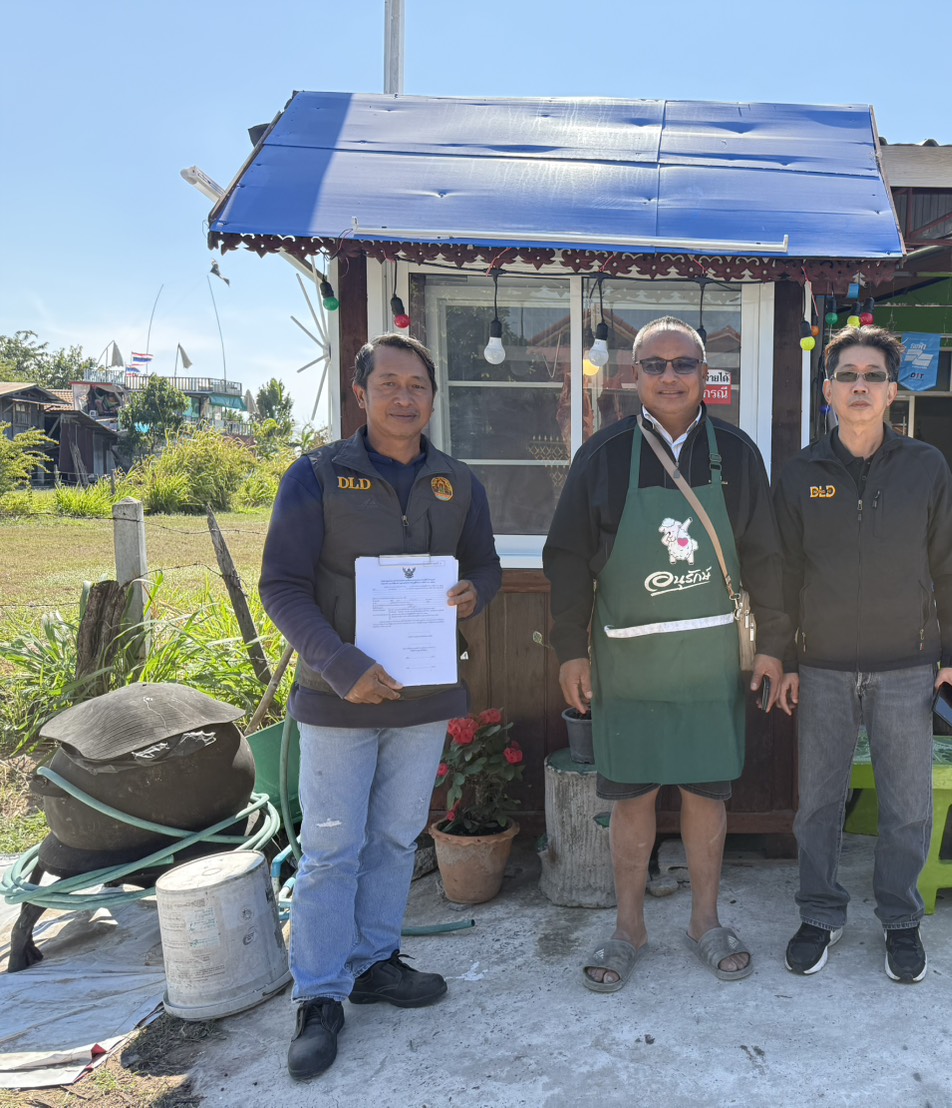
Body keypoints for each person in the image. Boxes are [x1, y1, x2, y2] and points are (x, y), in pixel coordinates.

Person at [260, 333, 502, 1080]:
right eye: (388, 384)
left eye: (417, 385)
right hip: (339, 698)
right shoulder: (316, 476)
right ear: (360, 394)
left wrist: (476, 592)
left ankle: (374, 963)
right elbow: (281, 585)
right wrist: (340, 665)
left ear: (433, 397)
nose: (404, 397)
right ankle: (319, 996)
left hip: (422, 697)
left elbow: (485, 564)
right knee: (332, 847)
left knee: (396, 840)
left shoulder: (456, 481)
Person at [543, 315, 786, 992]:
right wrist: (570, 649)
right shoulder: (602, 455)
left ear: (705, 374)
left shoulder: (737, 454)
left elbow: (766, 557)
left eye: (684, 364)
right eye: (655, 364)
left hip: (710, 658)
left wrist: (774, 645)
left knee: (706, 792)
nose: (670, 376)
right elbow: (566, 559)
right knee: (632, 796)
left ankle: (706, 922)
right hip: (627, 658)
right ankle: (629, 927)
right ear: (634, 376)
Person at [772, 324, 952, 984]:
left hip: (906, 667)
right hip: (823, 668)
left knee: (908, 806)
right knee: (816, 805)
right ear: (828, 391)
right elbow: (781, 574)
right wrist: (782, 657)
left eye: (873, 377)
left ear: (892, 392)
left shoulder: (925, 467)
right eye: (847, 376)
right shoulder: (801, 473)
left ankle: (900, 919)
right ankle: (819, 912)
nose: (859, 386)